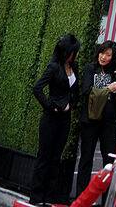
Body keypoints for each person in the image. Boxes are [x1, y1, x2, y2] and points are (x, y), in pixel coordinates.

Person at [76, 40, 116, 196]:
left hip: (108, 120)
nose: (103, 57)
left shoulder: (115, 69)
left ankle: (106, 200)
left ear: (113, 56)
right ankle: (80, 197)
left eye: (108, 54)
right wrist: (107, 89)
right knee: (86, 158)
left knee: (109, 160)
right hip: (90, 119)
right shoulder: (91, 68)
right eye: (102, 53)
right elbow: (86, 91)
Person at [30, 33, 81, 207]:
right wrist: (50, 106)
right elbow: (37, 88)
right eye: (72, 52)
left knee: (55, 158)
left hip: (65, 120)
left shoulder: (75, 68)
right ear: (65, 51)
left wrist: (71, 104)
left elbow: (75, 91)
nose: (74, 55)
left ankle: (50, 197)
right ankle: (36, 198)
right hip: (50, 119)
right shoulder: (53, 67)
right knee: (44, 157)